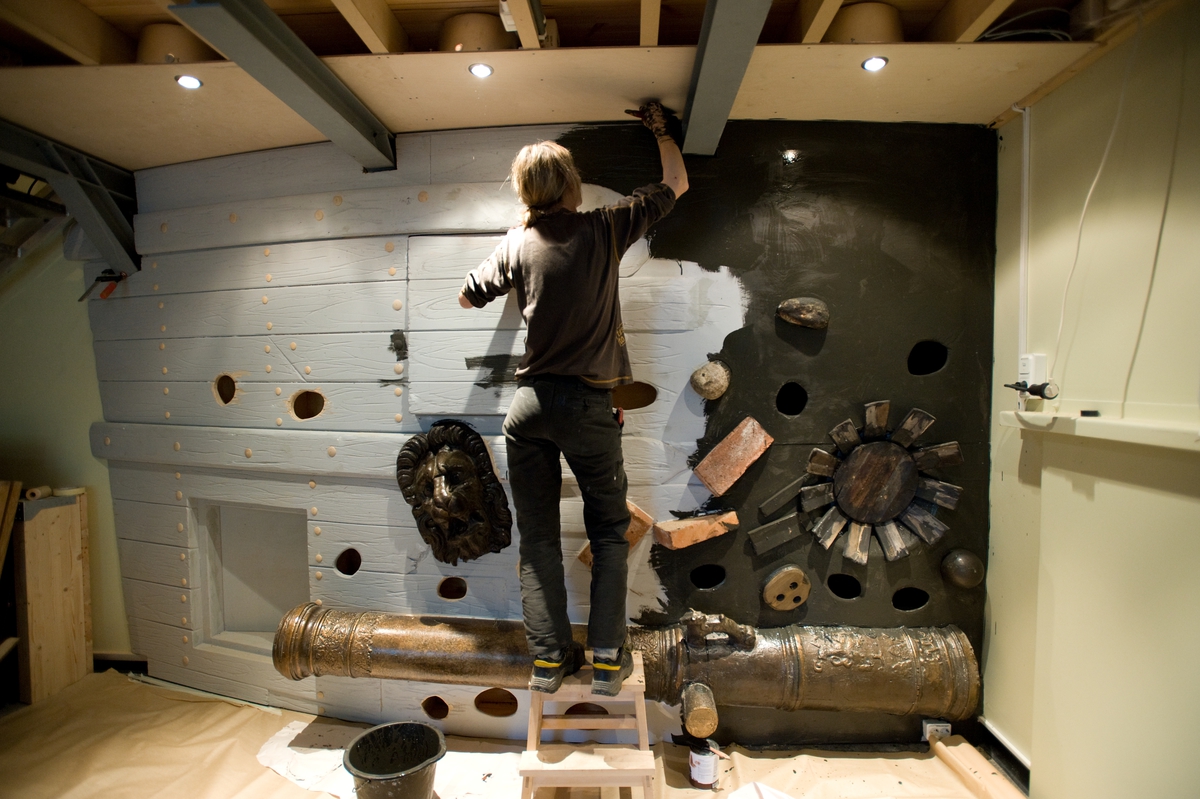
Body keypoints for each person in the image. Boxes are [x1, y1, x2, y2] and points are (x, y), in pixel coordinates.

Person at [457, 102, 688, 696]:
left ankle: (548, 662)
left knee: (537, 541)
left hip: (529, 408)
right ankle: (607, 660)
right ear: (571, 185)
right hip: (587, 406)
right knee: (609, 531)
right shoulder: (604, 227)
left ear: (525, 191)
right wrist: (661, 129)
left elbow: (466, 296)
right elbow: (677, 183)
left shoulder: (517, 242)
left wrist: (524, 263)